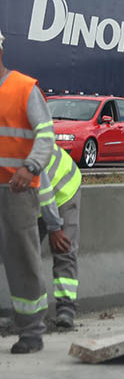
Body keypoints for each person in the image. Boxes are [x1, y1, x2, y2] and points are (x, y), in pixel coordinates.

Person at [0, 26, 54, 353]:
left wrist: (30, 167)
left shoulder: (23, 88)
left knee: (22, 259)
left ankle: (32, 332)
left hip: (17, 190)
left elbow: (46, 136)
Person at [37, 143, 81, 328]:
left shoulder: (20, 151)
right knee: (23, 254)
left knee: (63, 247)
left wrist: (55, 228)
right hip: (33, 199)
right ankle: (31, 314)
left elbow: (44, 192)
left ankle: (66, 308)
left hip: (63, 188)